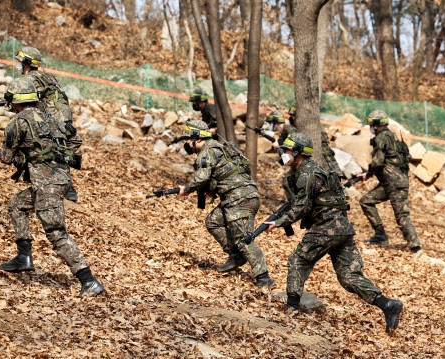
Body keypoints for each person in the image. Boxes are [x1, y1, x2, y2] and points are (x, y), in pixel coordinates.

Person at [263, 132, 403, 334]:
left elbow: (302, 206)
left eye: (286, 150)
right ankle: (388, 304)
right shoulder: (314, 171)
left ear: (298, 152)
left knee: (298, 260)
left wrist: (278, 222)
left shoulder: (307, 174)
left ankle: (291, 308)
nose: (283, 154)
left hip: (326, 228)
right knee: (348, 277)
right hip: (342, 228)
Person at [0, 77, 104, 297]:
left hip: (46, 186)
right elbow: (75, 140)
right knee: (17, 205)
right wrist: (52, 156)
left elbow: (6, 158)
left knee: (56, 233)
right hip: (61, 181)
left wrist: (27, 158)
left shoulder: (18, 122)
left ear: (15, 101)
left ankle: (89, 281)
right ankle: (23, 257)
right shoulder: (51, 117)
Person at [177, 120, 275, 288]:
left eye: (187, 139)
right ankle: (235, 254)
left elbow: (201, 177)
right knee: (213, 221)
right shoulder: (216, 148)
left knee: (244, 238)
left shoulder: (208, 152)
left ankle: (264, 277)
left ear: (197, 138)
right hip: (237, 197)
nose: (186, 143)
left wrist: (186, 189)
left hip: (239, 198)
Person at [15, 46, 80, 202]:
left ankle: (53, 184)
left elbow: (26, 100)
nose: (18, 65)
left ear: (27, 63)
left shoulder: (29, 79)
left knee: (38, 146)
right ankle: (66, 187)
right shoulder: (47, 76)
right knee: (60, 150)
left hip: (50, 117)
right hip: (63, 115)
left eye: (20, 62)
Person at [357, 110, 421, 252]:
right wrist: (369, 173)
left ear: (377, 125)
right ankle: (380, 236)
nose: (370, 128)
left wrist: (368, 172)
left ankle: (416, 248)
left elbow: (378, 162)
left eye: (371, 125)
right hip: (391, 183)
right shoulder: (391, 137)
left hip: (394, 184)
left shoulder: (382, 137)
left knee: (402, 216)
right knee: (366, 201)